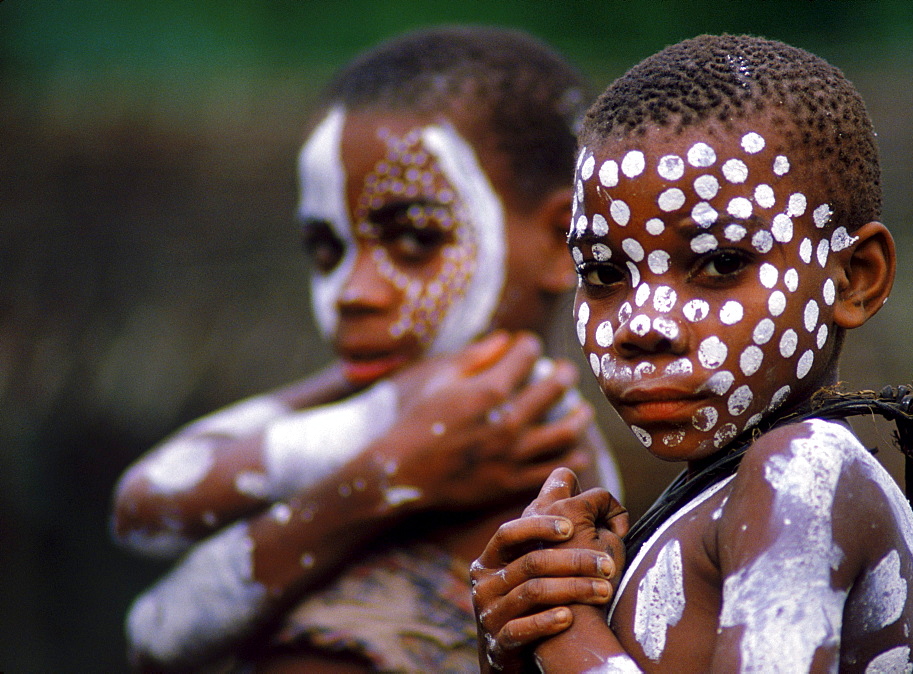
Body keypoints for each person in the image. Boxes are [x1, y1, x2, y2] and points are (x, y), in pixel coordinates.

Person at [110, 26, 620, 672]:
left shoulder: (541, 465)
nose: (352, 291)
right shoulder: (390, 420)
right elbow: (143, 507)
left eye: (414, 239)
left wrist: (381, 466)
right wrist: (388, 461)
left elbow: (159, 631)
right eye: (328, 248)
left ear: (556, 240)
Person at [471, 34, 913, 672]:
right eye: (605, 273)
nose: (643, 325)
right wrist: (513, 640)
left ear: (855, 278)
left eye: (720, 263)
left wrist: (568, 635)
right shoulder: (719, 495)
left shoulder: (801, 472)